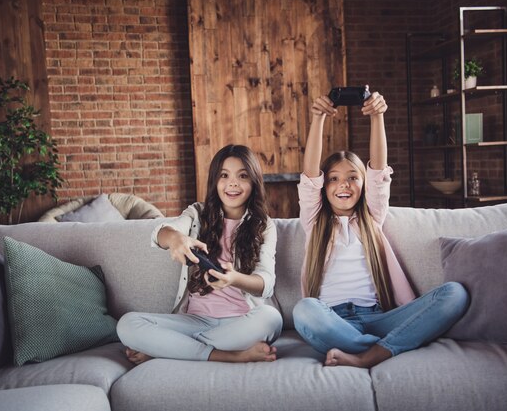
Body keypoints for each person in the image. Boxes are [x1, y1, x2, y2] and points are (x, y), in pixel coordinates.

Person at [292, 89, 469, 368]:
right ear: (324, 188)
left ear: (363, 185)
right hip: (332, 320)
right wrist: (318, 119)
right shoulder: (314, 222)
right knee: (304, 311)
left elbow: (378, 170)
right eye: (334, 179)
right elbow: (310, 175)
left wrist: (377, 116)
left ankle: (370, 353)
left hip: (380, 318)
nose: (344, 185)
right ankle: (382, 350)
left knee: (454, 293)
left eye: (353, 177)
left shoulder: (372, 216)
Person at [117, 144, 282, 364]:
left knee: (271, 319)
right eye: (224, 175)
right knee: (127, 324)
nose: (232, 182)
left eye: (242, 176)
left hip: (239, 322)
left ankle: (172, 347)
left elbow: (266, 283)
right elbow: (160, 233)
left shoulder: (264, 226)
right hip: (194, 321)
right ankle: (228, 356)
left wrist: (234, 279)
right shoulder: (197, 213)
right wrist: (175, 239)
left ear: (254, 181)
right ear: (215, 181)